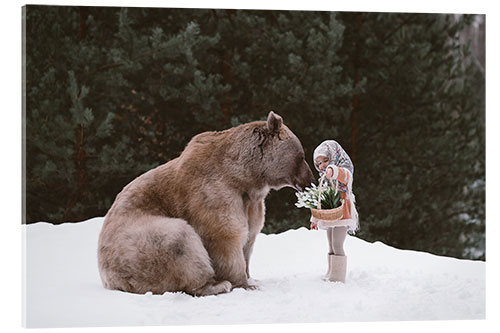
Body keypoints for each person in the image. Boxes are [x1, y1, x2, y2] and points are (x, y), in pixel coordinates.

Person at [311, 140, 359, 283]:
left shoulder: (345, 168)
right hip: (331, 213)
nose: (322, 165)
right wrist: (314, 219)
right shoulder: (324, 179)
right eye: (319, 163)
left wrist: (333, 170)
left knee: (338, 244)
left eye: (325, 160)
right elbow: (320, 200)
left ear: (333, 156)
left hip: (342, 211)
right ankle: (331, 271)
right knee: (331, 243)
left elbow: (344, 175)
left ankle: (338, 276)